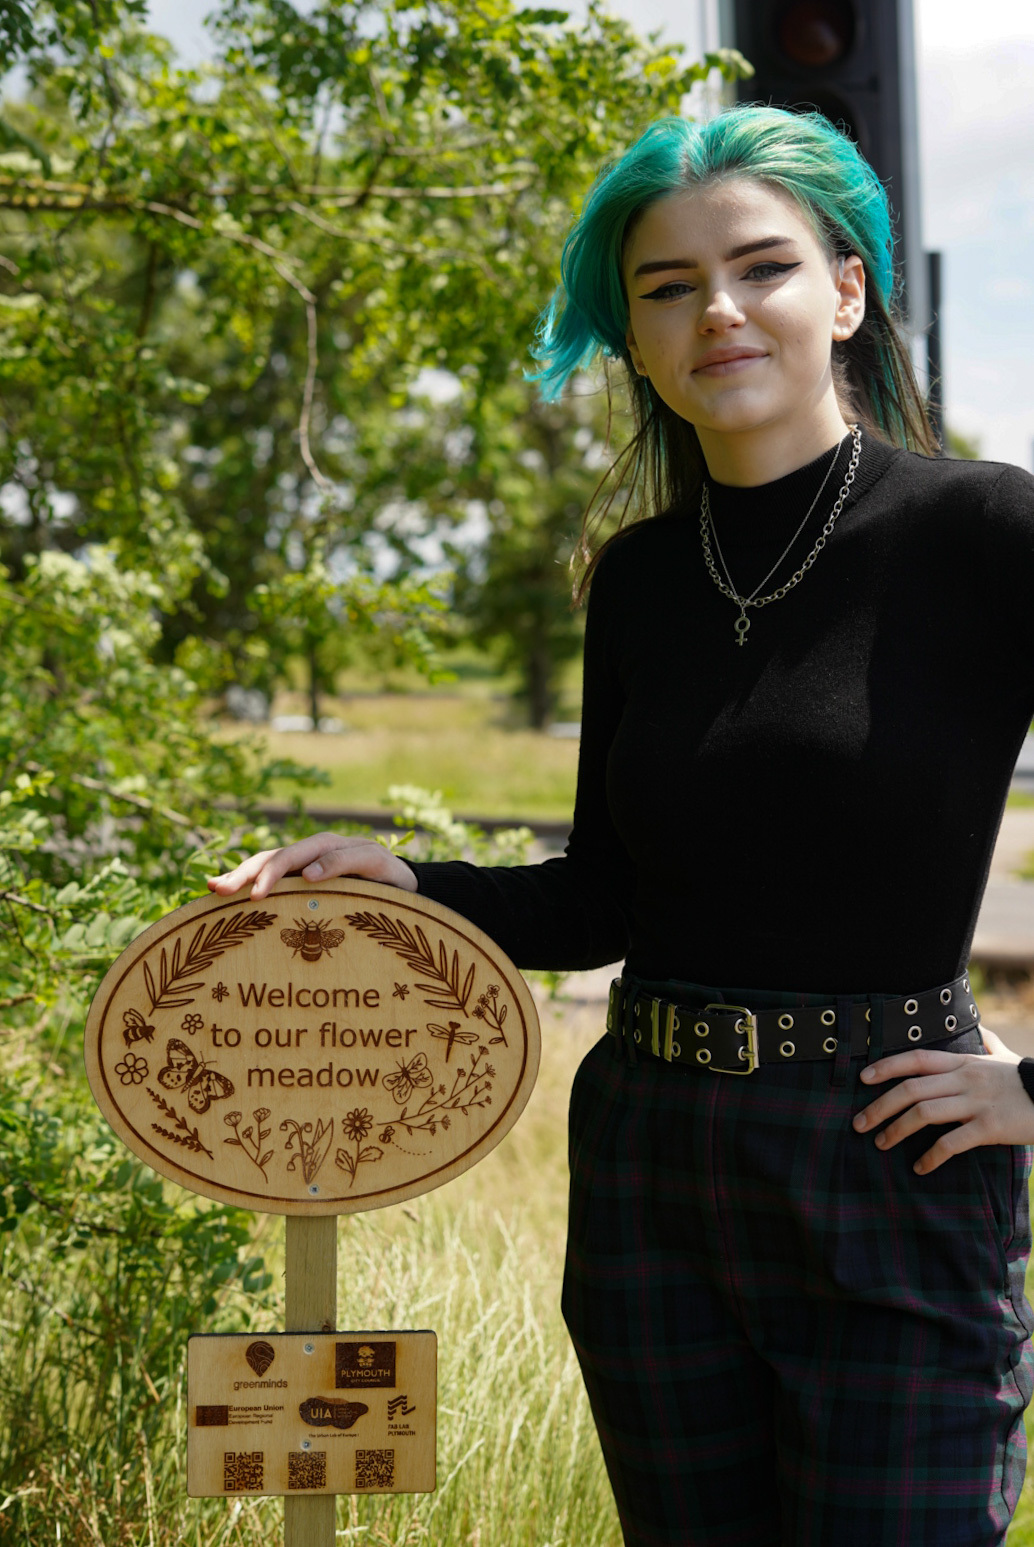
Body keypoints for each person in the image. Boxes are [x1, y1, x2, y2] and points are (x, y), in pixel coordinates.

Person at [210, 106, 1034, 1545]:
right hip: (651, 1155)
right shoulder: (645, 578)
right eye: (665, 288)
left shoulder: (981, 533)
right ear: (633, 340)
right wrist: (403, 881)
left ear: (844, 293)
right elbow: (602, 900)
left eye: (760, 267)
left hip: (891, 1150)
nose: (715, 309)